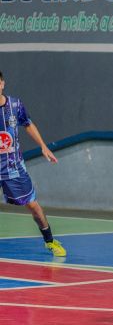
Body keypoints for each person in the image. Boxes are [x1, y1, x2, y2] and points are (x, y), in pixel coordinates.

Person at [0, 71, 66, 257]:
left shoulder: (15, 105)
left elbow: (28, 124)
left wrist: (43, 147)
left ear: (2, 84)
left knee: (33, 206)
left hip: (13, 168)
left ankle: (50, 241)